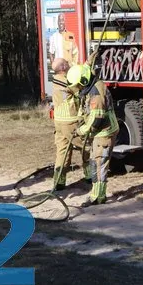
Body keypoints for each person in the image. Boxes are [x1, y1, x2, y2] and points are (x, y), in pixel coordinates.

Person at [69, 61, 119, 207]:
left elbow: (96, 119)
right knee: (95, 163)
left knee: (99, 165)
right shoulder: (92, 86)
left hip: (104, 133)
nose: (78, 88)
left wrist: (81, 130)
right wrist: (80, 120)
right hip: (101, 133)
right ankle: (98, 195)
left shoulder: (96, 94)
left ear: (84, 81)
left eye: (79, 85)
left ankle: (97, 197)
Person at [50, 57, 86, 191]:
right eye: (66, 62)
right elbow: (81, 90)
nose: (69, 63)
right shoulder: (67, 82)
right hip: (70, 121)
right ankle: (90, 175)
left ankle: (59, 182)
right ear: (63, 67)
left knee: (62, 151)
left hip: (59, 122)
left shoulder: (55, 80)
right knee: (86, 146)